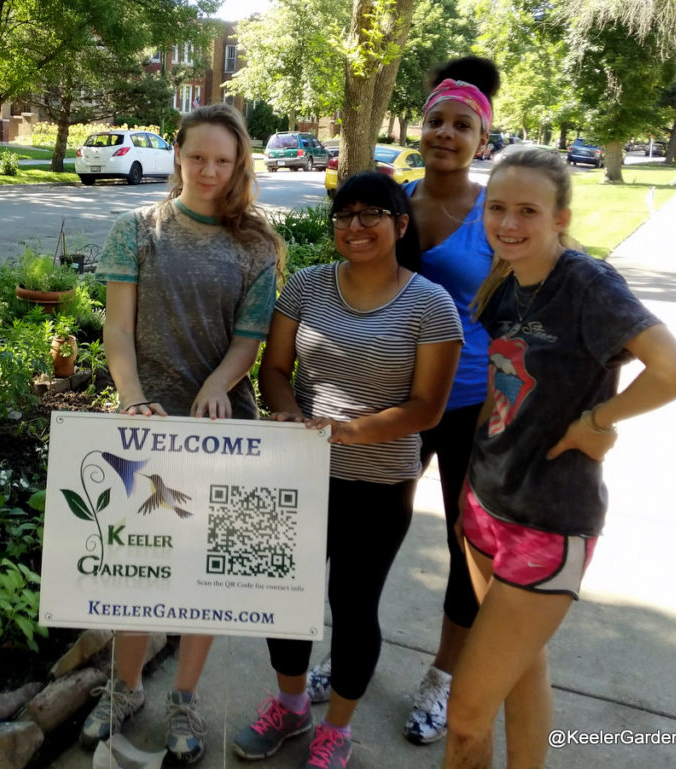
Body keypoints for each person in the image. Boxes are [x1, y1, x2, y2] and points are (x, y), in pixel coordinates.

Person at [442, 148, 676, 769]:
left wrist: (595, 422)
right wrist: (468, 490)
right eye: (497, 208)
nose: (508, 223)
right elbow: (503, 390)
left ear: (561, 216)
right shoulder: (507, 278)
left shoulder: (587, 284)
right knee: (522, 675)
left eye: (528, 211)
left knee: (466, 718)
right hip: (485, 506)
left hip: (546, 524)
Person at [233, 171, 463, 769]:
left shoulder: (430, 305)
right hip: (300, 472)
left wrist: (346, 430)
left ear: (400, 224)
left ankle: (337, 728)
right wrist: (289, 418)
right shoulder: (306, 287)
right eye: (344, 215)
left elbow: (427, 407)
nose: (355, 227)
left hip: (380, 482)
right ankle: (290, 706)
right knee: (284, 596)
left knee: (355, 605)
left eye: (372, 215)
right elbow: (275, 371)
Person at [78, 103, 284, 764]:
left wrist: (220, 383)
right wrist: (132, 398)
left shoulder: (257, 243)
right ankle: (127, 685)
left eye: (223, 160)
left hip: (225, 429)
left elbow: (249, 341)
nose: (209, 171)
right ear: (178, 154)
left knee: (209, 578)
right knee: (140, 569)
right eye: (198, 157)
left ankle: (184, 697)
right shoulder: (135, 230)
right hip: (147, 429)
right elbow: (117, 328)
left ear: (238, 164)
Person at [306, 55, 500, 747]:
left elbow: (527, 306)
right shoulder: (396, 205)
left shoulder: (497, 209)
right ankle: (348, 650)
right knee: (361, 533)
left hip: (475, 408)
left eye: (462, 124)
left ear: (484, 136)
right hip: (397, 401)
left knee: (467, 542)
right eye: (435, 121)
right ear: (419, 129)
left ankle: (443, 677)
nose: (445, 133)